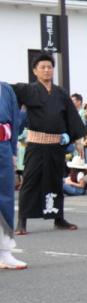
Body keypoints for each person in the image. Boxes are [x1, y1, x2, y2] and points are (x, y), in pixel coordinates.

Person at [11, 52, 86, 234]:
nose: (46, 70)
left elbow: (71, 117)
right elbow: (7, 91)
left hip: (56, 146)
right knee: (30, 181)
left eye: (49, 67)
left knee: (55, 181)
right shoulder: (27, 90)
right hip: (36, 145)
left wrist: (77, 140)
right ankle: (22, 221)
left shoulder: (60, 93)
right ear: (35, 71)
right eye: (42, 67)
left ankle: (58, 218)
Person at [0, 80, 25, 268]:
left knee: (5, 199)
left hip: (3, 147)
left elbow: (15, 121)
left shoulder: (5, 89)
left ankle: (4, 252)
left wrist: (13, 152)